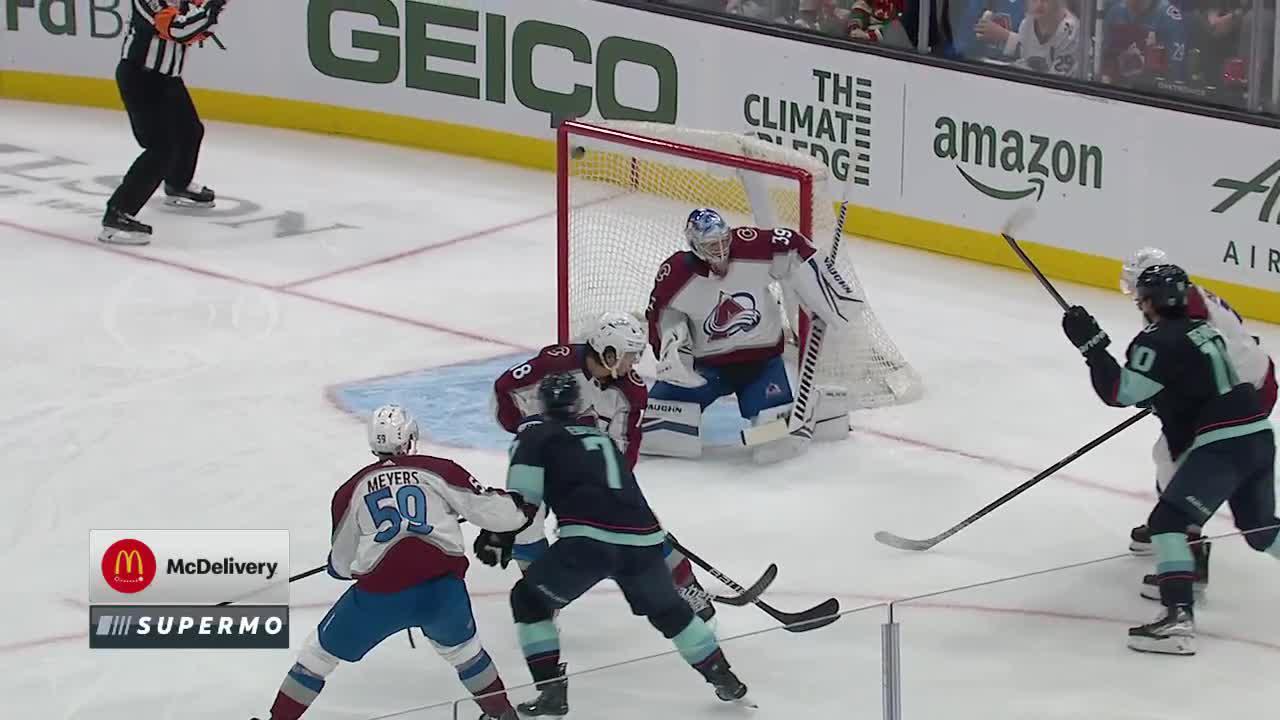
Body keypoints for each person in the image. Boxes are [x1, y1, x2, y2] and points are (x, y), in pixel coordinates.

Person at [475, 374, 749, 716]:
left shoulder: (534, 436)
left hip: (588, 542)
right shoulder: (601, 438)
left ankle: (551, 693)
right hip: (644, 540)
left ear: (542, 405)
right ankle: (723, 675)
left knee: (528, 601)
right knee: (670, 612)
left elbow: (523, 501)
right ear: (576, 405)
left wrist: (499, 533)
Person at [254, 406, 536, 720]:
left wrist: (337, 567)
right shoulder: (438, 470)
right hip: (442, 592)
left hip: (382, 596)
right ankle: (503, 715)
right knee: (465, 654)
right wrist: (520, 508)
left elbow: (343, 562)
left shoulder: (351, 489)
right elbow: (498, 513)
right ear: (410, 436)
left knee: (317, 656)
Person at [1061, 265, 1277, 655]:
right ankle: (1181, 597)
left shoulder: (1156, 340)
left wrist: (1092, 348)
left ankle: (1178, 619)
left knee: (1168, 521)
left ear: (1149, 302)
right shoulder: (1204, 330)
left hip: (1221, 442)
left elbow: (1121, 392)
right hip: (1257, 433)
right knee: (1260, 529)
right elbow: (1190, 382)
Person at [492, 312, 721, 627]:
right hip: (541, 460)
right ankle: (543, 595)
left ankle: (688, 587)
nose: (634, 363)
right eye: (629, 355)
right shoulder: (555, 364)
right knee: (525, 524)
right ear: (608, 350)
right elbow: (504, 389)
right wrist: (527, 429)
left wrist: (612, 485)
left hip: (591, 467)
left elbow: (626, 444)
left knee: (643, 523)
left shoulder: (632, 391)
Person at [1118, 248, 1277, 599]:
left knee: (1175, 457)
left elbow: (1186, 362)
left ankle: (1185, 543)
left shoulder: (1181, 312)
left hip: (1239, 391)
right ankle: (1175, 525)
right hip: (1249, 381)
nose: (1136, 298)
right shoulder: (1183, 296)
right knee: (1176, 455)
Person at [643, 208, 859, 463]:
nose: (721, 251)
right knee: (657, 433)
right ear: (695, 246)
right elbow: (658, 316)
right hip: (706, 368)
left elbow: (792, 244)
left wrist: (830, 291)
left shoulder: (750, 248)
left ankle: (811, 409)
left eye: (724, 241)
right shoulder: (676, 274)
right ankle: (792, 414)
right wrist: (669, 354)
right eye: (712, 245)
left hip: (760, 364)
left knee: (772, 444)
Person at [100, 0, 226, 245]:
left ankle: (178, 184)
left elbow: (198, 19)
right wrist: (212, 9)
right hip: (140, 77)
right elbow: (178, 29)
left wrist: (210, 9)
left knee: (190, 130)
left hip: (168, 79)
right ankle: (117, 213)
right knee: (160, 149)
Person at [975, 0, 1081, 77]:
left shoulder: (1070, 32)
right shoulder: (1027, 24)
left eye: (1046, 0)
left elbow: (1058, 83)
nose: (1039, 4)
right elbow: (1025, 61)